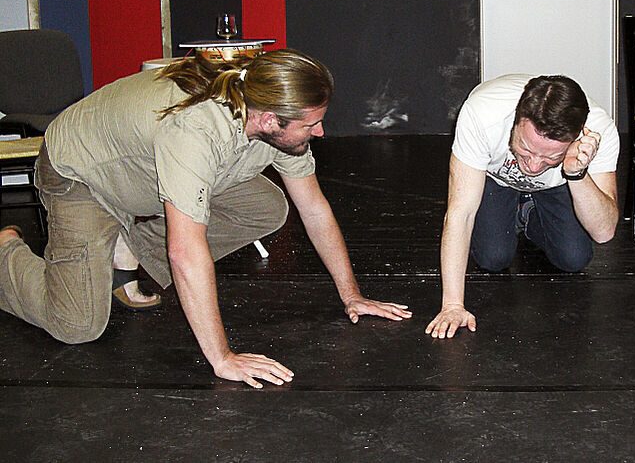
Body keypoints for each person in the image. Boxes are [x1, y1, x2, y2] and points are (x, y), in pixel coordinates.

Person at [0, 49, 411, 388]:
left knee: (265, 206)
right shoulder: (195, 131)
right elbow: (185, 252)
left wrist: (352, 295)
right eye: (312, 124)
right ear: (270, 119)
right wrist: (222, 357)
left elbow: (314, 208)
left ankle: (128, 244)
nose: (320, 133)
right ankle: (5, 250)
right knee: (77, 325)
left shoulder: (265, 111)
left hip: (144, 172)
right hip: (82, 175)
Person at [426, 74, 620, 339]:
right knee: (493, 258)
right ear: (516, 121)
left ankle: (526, 212)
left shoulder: (598, 131)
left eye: (551, 156)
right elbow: (461, 213)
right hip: (496, 178)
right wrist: (452, 306)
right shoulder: (483, 113)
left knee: (574, 258)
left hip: (557, 184)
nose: (534, 166)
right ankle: (519, 204)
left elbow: (604, 232)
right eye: (526, 149)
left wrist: (577, 173)